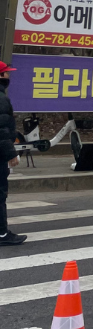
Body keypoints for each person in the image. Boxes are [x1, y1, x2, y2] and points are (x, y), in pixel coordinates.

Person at [0, 61, 25, 247]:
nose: (9, 76)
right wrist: (11, 152)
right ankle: (2, 234)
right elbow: (1, 129)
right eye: (6, 73)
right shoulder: (1, 99)